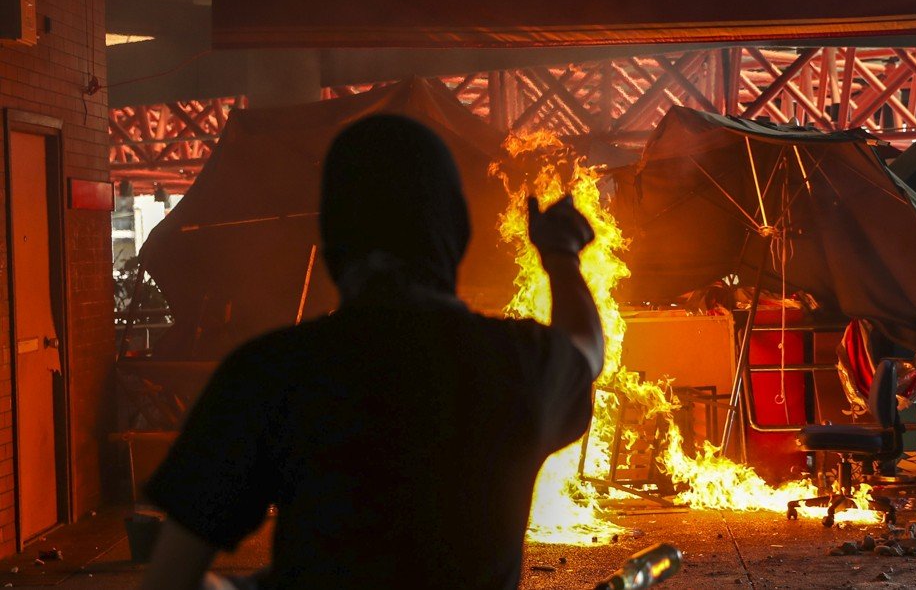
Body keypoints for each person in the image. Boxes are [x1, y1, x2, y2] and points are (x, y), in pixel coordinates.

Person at [139, 115, 603, 590]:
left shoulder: (269, 372)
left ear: (332, 242)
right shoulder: (517, 364)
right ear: (456, 234)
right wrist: (561, 255)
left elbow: (171, 580)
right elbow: (587, 349)